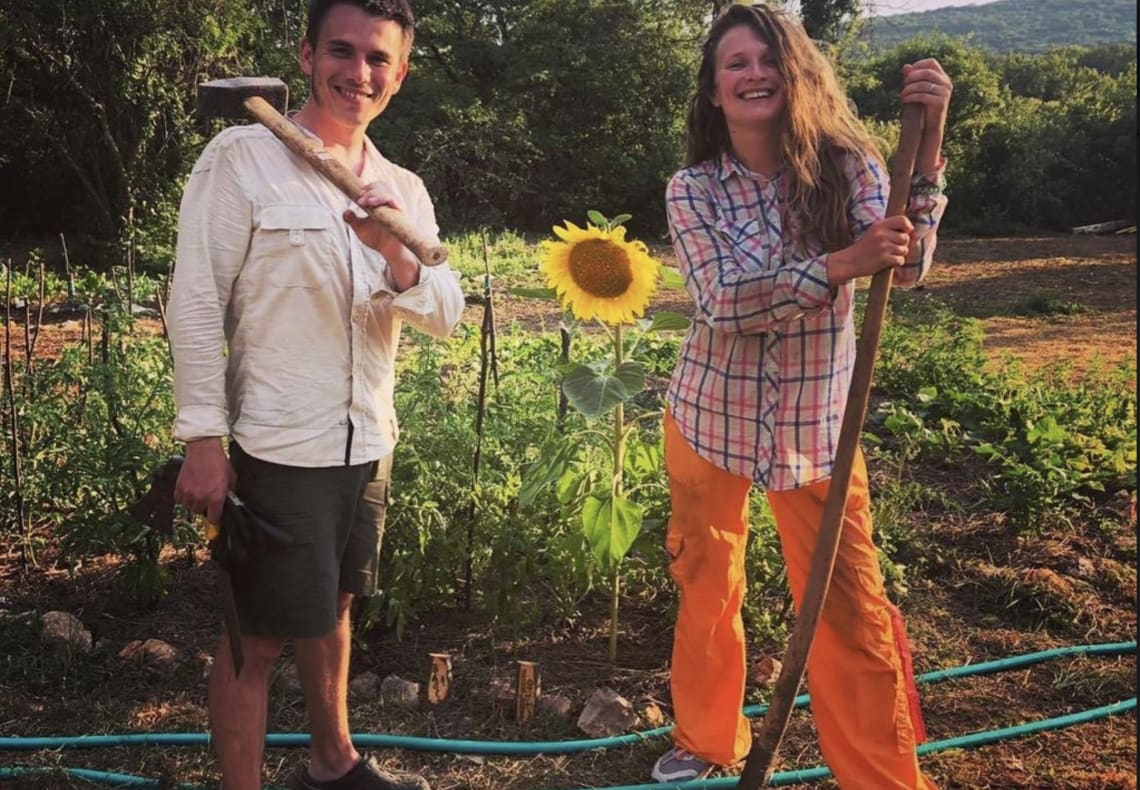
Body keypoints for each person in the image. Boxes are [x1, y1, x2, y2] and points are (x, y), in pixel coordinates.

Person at [167, 1, 463, 788]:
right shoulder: (240, 159)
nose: (357, 74)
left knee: (333, 606)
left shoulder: (401, 187)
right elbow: (196, 300)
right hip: (276, 442)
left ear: (400, 74)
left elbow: (446, 312)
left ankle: (333, 764)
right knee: (254, 639)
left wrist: (394, 250)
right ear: (306, 55)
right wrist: (202, 437)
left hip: (366, 439)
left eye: (378, 59)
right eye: (342, 51)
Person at [655, 4, 950, 787]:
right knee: (707, 585)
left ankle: (882, 778)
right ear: (715, 92)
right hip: (708, 418)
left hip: (820, 430)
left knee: (849, 609)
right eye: (735, 65)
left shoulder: (849, 166)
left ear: (795, 73)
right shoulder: (693, 190)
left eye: (766, 60)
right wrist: (836, 266)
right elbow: (720, 301)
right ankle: (709, 739)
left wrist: (932, 149)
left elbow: (907, 269)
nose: (754, 74)